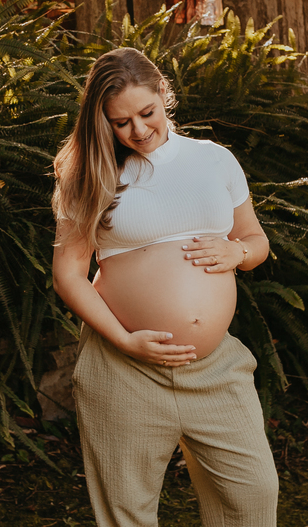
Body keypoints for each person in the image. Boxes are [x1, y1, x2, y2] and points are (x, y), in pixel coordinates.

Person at [51, 47, 278, 527]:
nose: (137, 130)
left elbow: (255, 240)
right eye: (120, 122)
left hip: (215, 369)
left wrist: (238, 253)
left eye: (146, 113)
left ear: (163, 94)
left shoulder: (214, 160)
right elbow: (68, 275)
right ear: (102, 122)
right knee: (126, 512)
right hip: (124, 368)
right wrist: (124, 340)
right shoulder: (92, 174)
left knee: (253, 496)